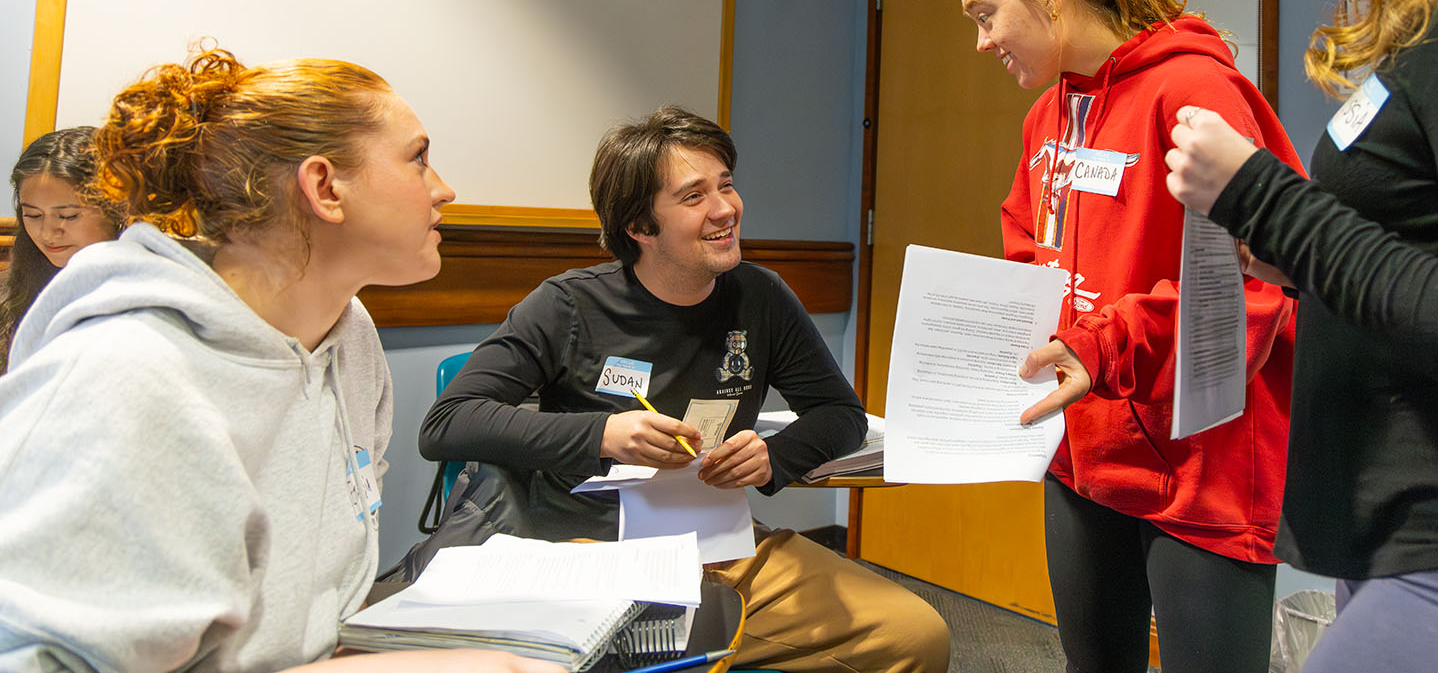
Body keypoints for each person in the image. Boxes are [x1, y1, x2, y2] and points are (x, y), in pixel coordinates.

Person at [0, 46, 563, 673]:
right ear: (324, 187)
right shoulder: (123, 376)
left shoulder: (348, 339)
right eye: (419, 158)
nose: (443, 189)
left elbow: (307, 627)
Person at [420, 105, 950, 673]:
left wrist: (774, 456)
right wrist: (604, 434)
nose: (726, 209)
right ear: (640, 227)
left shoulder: (760, 297)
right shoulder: (569, 304)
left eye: (726, 185)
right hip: (585, 555)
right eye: (694, 196)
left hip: (716, 549)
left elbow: (840, 413)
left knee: (915, 637)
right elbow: (449, 422)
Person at [1164, 0, 1438, 669]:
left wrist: (1266, 201)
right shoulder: (1436, 25)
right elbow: (1423, 257)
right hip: (1396, 536)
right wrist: (1286, 251)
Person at [951, 0, 1302, 673]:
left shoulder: (1195, 91)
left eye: (987, 14)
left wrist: (1105, 343)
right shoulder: (1048, 116)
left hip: (1198, 461)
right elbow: (1029, 252)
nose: (980, 43)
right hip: (1083, 451)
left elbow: (1256, 285)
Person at [1, 126, 120, 373]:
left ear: (115, 208)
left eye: (67, 215)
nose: (47, 233)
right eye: (32, 215)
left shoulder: (143, 292)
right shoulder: (12, 293)